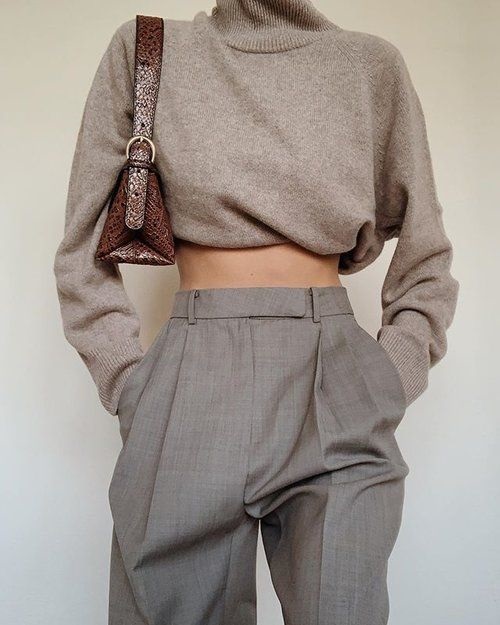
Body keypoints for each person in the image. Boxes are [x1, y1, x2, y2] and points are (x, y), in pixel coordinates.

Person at [52, 2, 460, 624]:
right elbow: (81, 246)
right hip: (189, 372)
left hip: (333, 372)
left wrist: (386, 380)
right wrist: (131, 385)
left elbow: (426, 254)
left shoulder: (370, 66)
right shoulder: (147, 50)